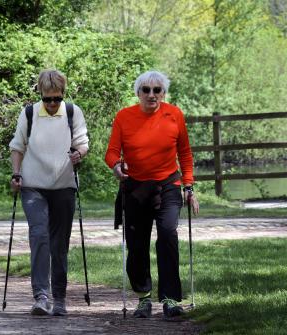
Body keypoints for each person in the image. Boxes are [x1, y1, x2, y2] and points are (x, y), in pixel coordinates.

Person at [104, 70, 199, 319]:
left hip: (168, 183)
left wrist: (188, 187)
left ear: (163, 93)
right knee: (137, 245)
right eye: (146, 90)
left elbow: (185, 154)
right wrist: (116, 166)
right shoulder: (124, 117)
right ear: (138, 93)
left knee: (168, 235)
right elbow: (111, 152)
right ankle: (143, 297)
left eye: (157, 90)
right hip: (135, 186)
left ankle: (169, 299)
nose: (152, 95)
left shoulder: (174, 115)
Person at [9, 69, 89, 316]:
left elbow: (83, 142)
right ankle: (41, 297)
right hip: (33, 185)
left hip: (64, 186)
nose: (52, 104)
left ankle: (60, 298)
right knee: (40, 236)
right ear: (41, 95)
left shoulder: (73, 112)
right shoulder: (30, 113)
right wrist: (16, 173)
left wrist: (79, 153)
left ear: (63, 94)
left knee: (59, 244)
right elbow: (17, 145)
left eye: (56, 98)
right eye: (47, 99)